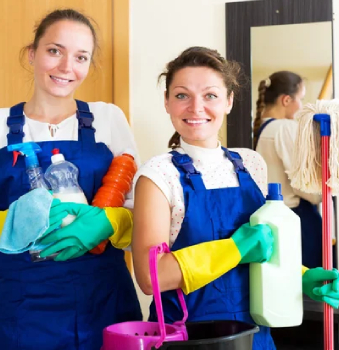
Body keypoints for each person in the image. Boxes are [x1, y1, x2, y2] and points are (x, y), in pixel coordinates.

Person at [0, 9, 141, 350]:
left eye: (81, 57)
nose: (67, 67)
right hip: (24, 315)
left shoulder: (109, 119)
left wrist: (110, 221)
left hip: (109, 306)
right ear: (32, 53)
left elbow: (143, 214)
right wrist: (9, 225)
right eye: (55, 50)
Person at [131, 47, 339, 350]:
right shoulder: (157, 175)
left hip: (255, 336)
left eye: (210, 95)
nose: (196, 107)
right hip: (192, 339)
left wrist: (303, 277)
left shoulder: (251, 164)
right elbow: (152, 277)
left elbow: (263, 252)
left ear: (229, 101)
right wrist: (235, 249)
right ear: (166, 102)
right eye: (181, 95)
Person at [253, 71, 323, 268]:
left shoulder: (262, 129)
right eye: (301, 99)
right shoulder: (284, 128)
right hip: (298, 217)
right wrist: (322, 195)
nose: (301, 105)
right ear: (286, 100)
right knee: (311, 287)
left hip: (276, 215)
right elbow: (303, 182)